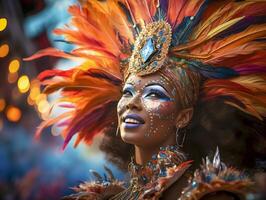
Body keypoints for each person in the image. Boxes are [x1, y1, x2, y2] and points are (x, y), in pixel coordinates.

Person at [26, 0, 266, 199]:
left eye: (154, 93)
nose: (132, 102)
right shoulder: (103, 197)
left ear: (183, 116)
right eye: (127, 92)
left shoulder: (209, 196)